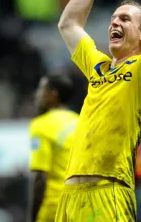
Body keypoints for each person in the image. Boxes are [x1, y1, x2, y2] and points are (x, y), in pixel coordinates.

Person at [55, 0, 141, 221]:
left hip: (109, 191)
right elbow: (68, 24)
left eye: (125, 19)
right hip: (69, 197)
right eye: (113, 18)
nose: (115, 22)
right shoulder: (99, 67)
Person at [28, 74, 79, 222]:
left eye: (41, 90)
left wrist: (32, 216)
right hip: (81, 205)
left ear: (53, 95)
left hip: (54, 207)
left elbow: (40, 178)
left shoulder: (41, 126)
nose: (37, 95)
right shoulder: (80, 121)